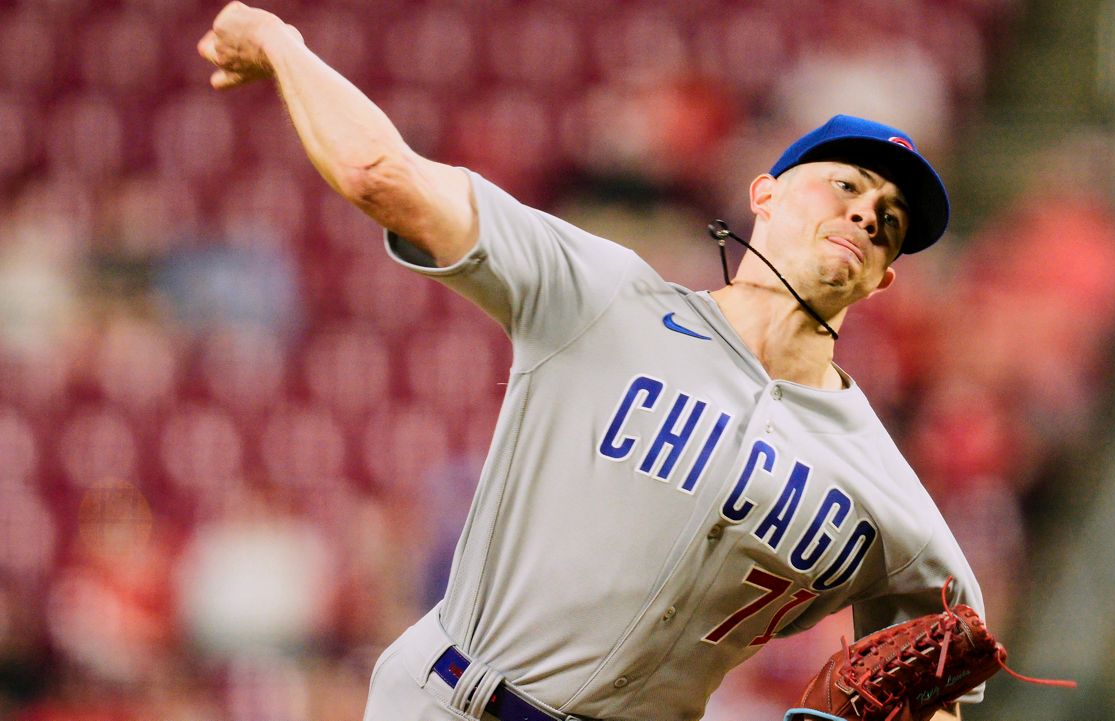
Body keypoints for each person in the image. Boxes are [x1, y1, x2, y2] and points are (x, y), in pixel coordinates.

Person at [197, 3, 982, 720]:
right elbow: (383, 176)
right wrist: (280, 44)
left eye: (890, 219)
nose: (866, 211)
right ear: (764, 194)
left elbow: (940, 686)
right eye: (845, 183)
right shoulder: (605, 297)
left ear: (884, 277)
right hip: (448, 700)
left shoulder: (888, 496)